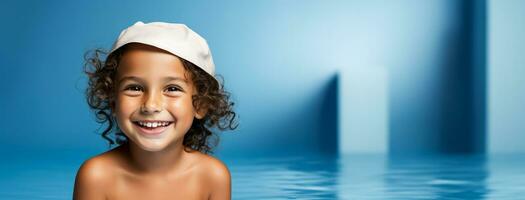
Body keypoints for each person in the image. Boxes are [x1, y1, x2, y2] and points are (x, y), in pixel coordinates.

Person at [73, 21, 237, 200]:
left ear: (200, 104)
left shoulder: (213, 176)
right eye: (135, 88)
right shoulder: (96, 177)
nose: (151, 105)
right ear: (113, 101)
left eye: (172, 88)